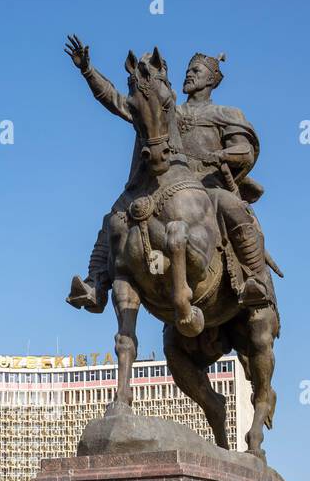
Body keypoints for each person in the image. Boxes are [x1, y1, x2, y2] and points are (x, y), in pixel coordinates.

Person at [62, 37, 277, 314]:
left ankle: (255, 279)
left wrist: (221, 156)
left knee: (232, 205)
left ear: (211, 79)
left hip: (207, 188)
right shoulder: (166, 108)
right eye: (188, 70)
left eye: (197, 71)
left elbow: (245, 150)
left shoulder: (225, 113)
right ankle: (96, 284)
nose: (189, 74)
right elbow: (117, 101)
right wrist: (88, 70)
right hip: (166, 187)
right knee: (114, 217)